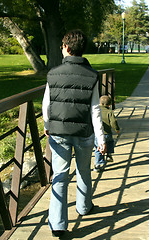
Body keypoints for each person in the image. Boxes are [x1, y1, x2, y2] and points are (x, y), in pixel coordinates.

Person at [42, 29, 106, 238]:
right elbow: (96, 109)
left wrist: (47, 125)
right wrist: (101, 138)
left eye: (62, 46)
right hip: (84, 132)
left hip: (58, 132)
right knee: (83, 171)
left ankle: (58, 224)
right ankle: (84, 207)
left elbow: (47, 105)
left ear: (67, 49)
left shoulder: (53, 73)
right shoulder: (93, 75)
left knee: (59, 176)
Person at [94, 95, 120, 172]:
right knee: (110, 142)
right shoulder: (109, 112)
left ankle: (98, 164)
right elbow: (113, 121)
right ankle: (109, 154)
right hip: (107, 133)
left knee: (98, 149)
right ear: (109, 105)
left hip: (98, 135)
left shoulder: (96, 111)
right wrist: (116, 129)